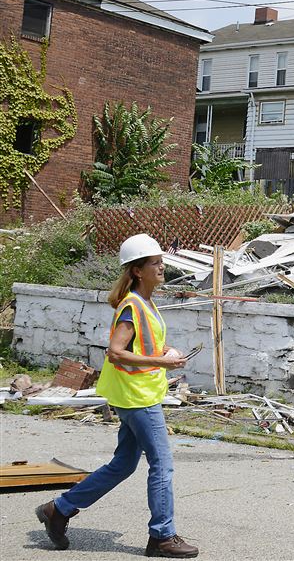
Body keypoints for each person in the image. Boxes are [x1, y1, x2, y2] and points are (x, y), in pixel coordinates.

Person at [35, 234, 199, 558]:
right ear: (138, 270)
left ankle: (60, 508)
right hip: (137, 398)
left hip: (137, 394)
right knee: (162, 465)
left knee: (123, 464)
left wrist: (166, 352)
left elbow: (142, 346)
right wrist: (162, 361)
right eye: (155, 263)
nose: (161, 266)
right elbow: (115, 352)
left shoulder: (146, 303)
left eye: (160, 261)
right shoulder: (132, 306)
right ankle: (162, 536)